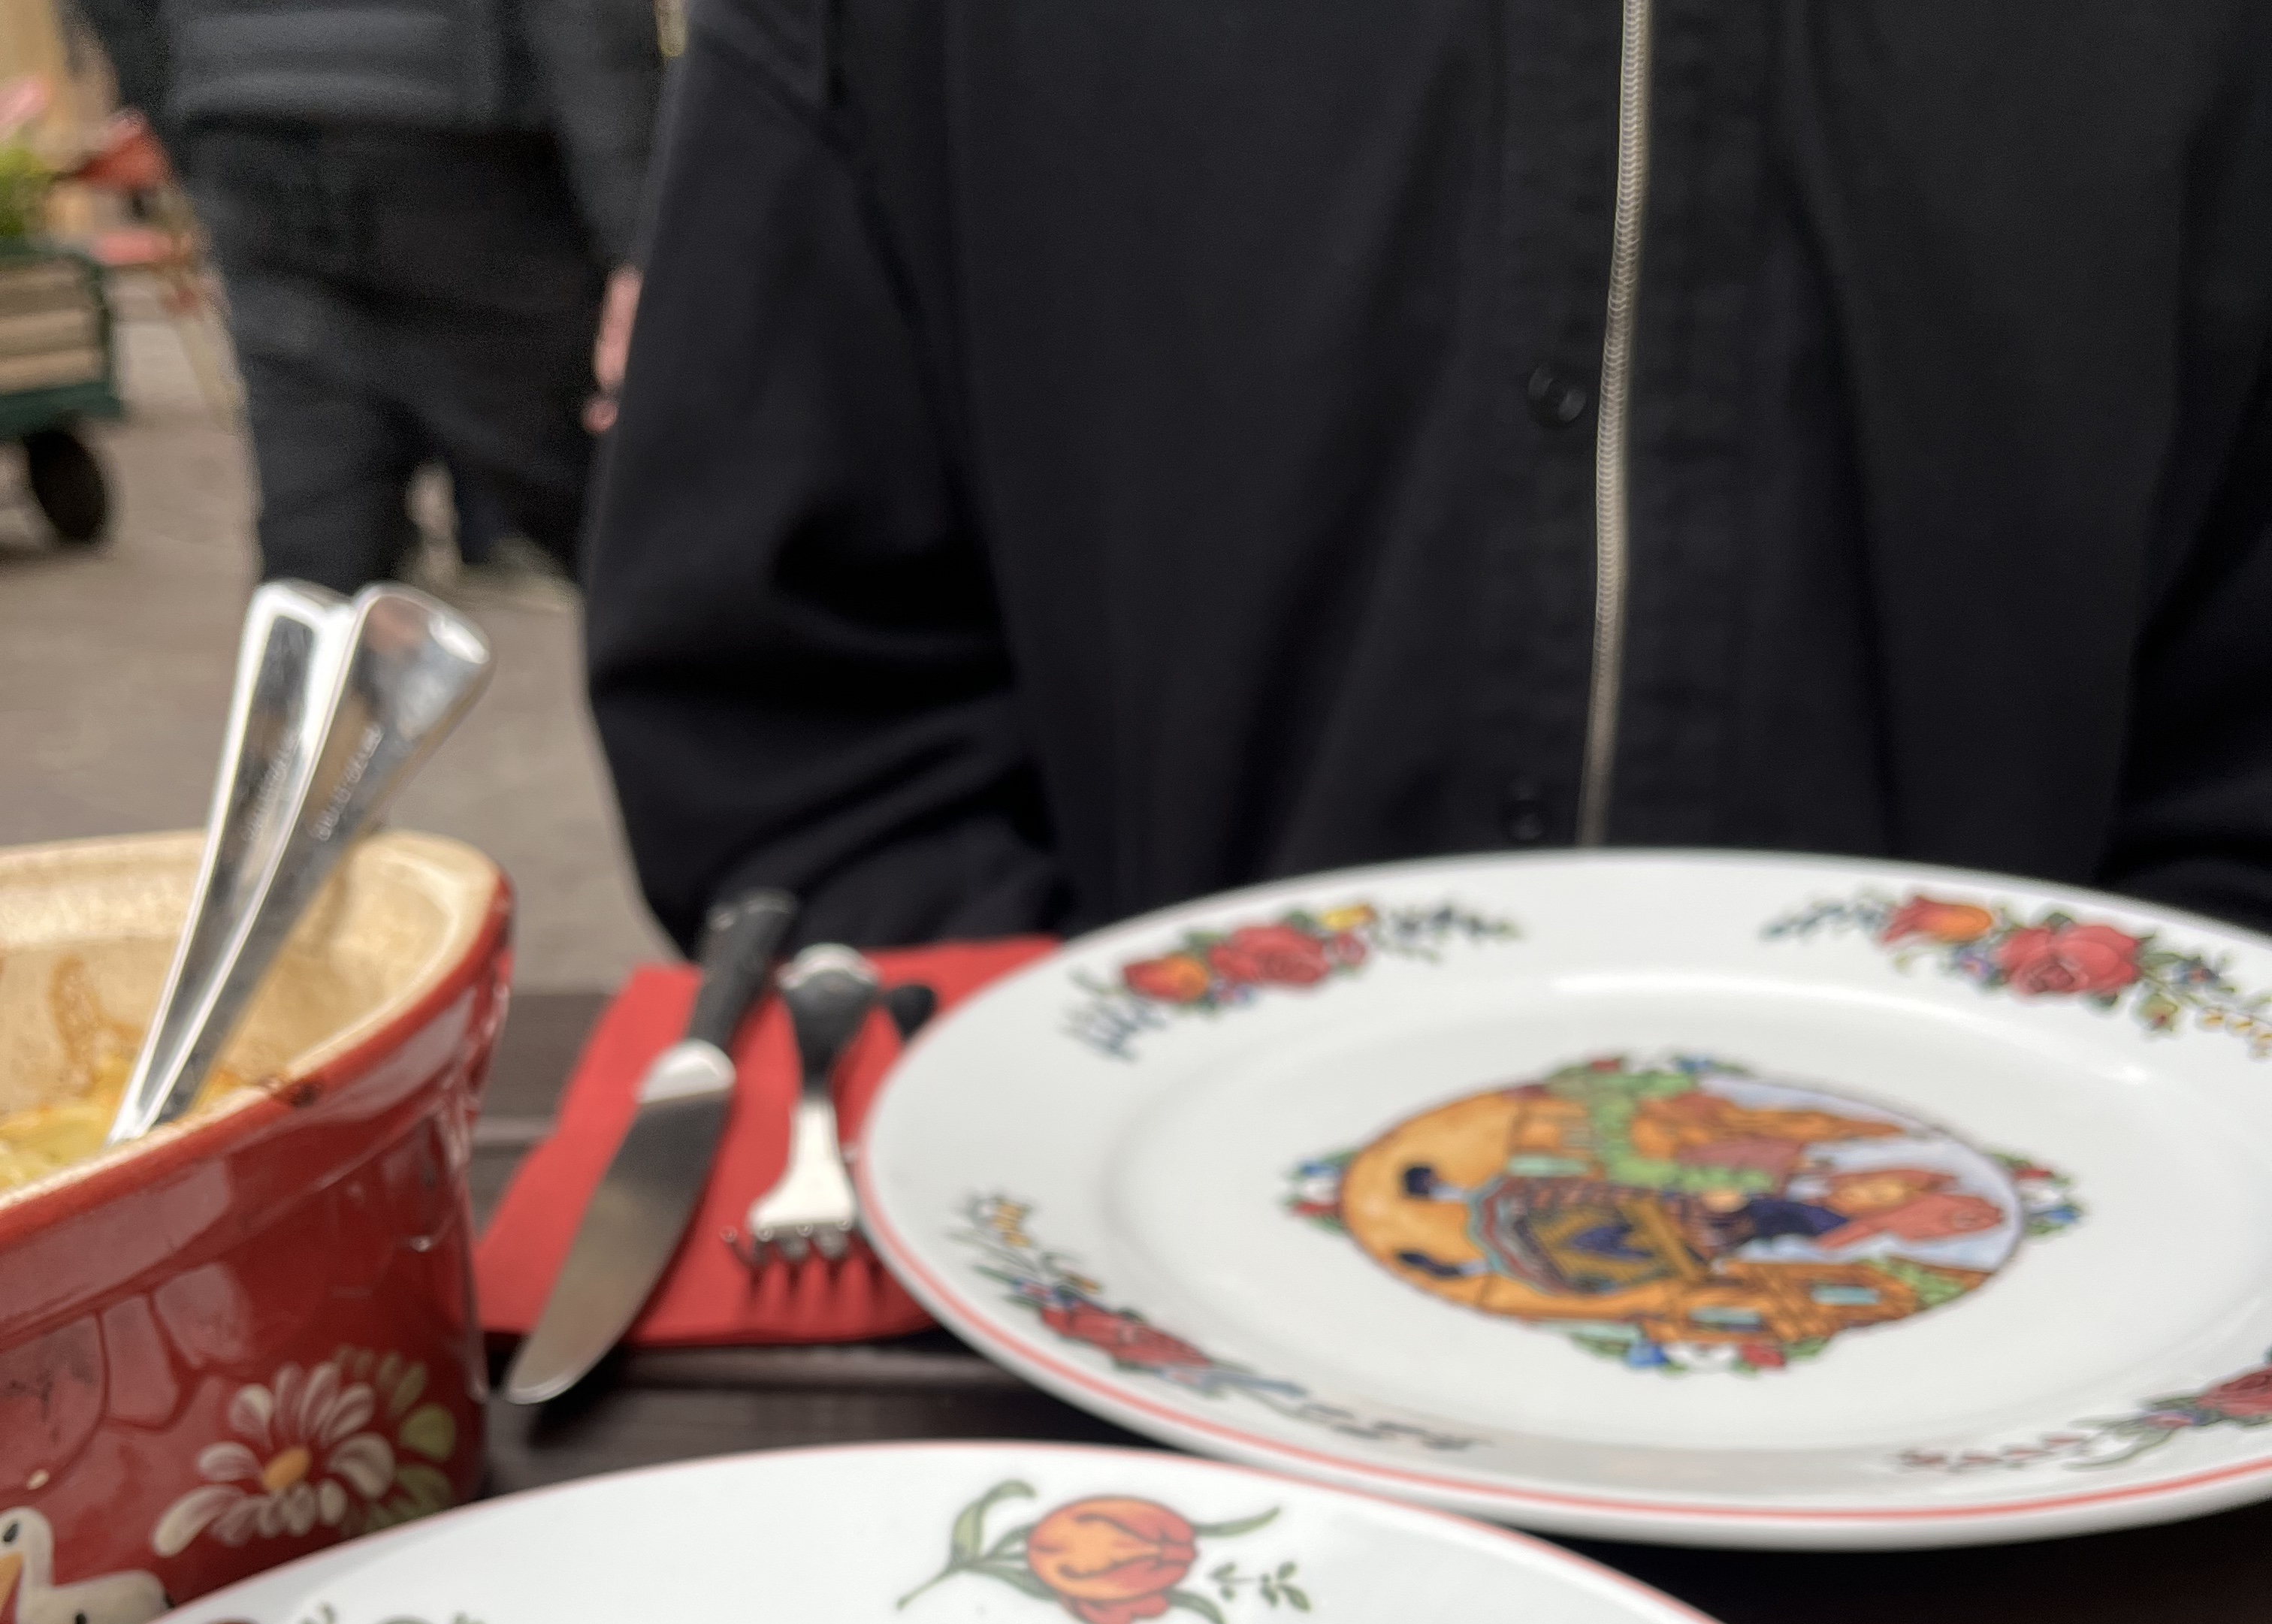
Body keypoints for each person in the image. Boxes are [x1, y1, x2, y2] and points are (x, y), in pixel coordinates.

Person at [584, 0, 2272, 958]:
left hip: (2051, 1321)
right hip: (1128, 1318)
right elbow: (782, 692)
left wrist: (2112, 1106)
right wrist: (1088, 1096)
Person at [81, 0, 664, 590]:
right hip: (461, 138)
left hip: (246, 124)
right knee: (636, 519)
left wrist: (187, 118)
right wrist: (644, 237)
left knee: (317, 547)